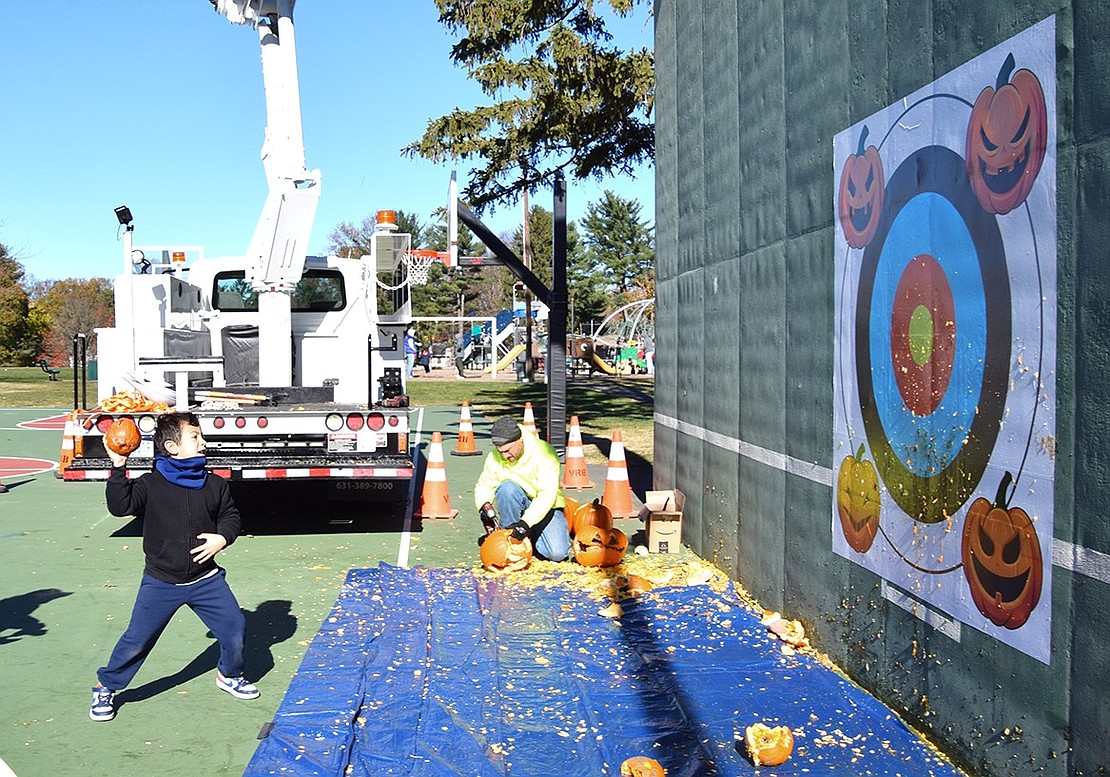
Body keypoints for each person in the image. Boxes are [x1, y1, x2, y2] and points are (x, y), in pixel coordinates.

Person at [89, 412, 257, 722]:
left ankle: (229, 675)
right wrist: (117, 465)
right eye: (195, 437)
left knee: (235, 628)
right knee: (136, 640)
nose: (203, 442)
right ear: (172, 446)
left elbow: (230, 517)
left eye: (201, 436)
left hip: (206, 580)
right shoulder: (151, 483)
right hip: (161, 581)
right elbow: (120, 506)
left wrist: (222, 538)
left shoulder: (214, 484)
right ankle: (106, 686)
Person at [475, 416, 571, 561]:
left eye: (508, 450)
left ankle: (528, 536)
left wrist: (525, 524)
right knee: (507, 489)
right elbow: (485, 484)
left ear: (520, 440)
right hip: (516, 501)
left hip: (546, 507)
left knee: (557, 554)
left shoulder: (545, 453)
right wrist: (484, 505)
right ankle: (509, 540)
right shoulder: (494, 457)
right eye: (500, 451)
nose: (505, 456)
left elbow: (547, 495)